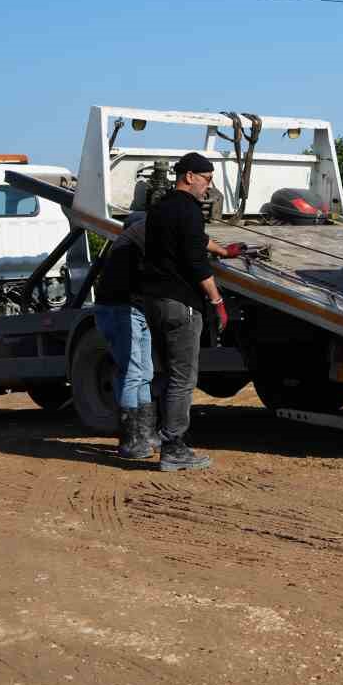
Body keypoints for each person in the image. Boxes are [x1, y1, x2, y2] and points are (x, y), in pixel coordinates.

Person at [136, 152, 242, 471]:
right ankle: (174, 446)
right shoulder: (190, 210)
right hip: (181, 304)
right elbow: (195, 262)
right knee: (183, 377)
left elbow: (188, 239)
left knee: (162, 373)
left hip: (153, 301)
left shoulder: (160, 207)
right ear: (190, 176)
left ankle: (150, 435)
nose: (208, 188)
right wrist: (217, 301)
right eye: (207, 180)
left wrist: (222, 249)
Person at [92, 212, 156, 460]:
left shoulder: (127, 249)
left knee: (145, 372)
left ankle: (146, 433)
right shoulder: (126, 252)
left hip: (134, 311)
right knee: (132, 372)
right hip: (121, 311)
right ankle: (130, 440)